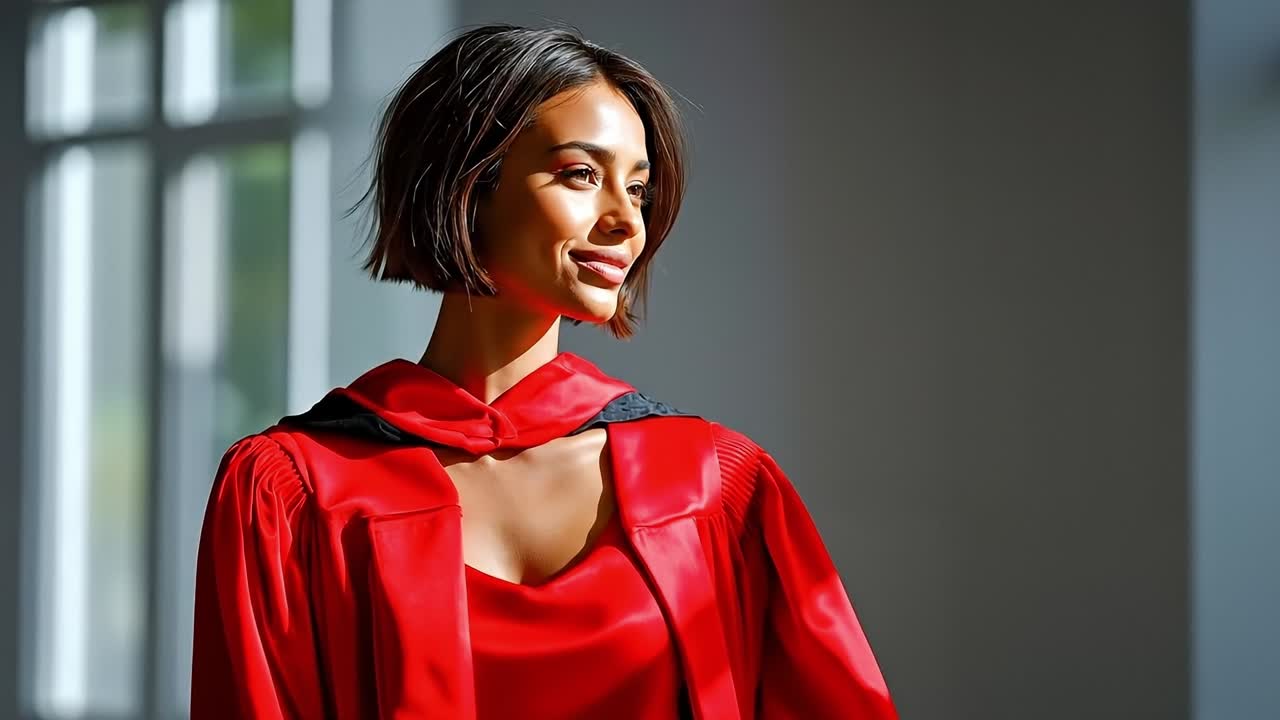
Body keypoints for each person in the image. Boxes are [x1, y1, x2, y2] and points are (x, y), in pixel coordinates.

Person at [190, 23, 897, 720]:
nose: (627, 221)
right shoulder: (289, 494)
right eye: (582, 174)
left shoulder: (716, 486)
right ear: (466, 183)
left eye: (640, 190)